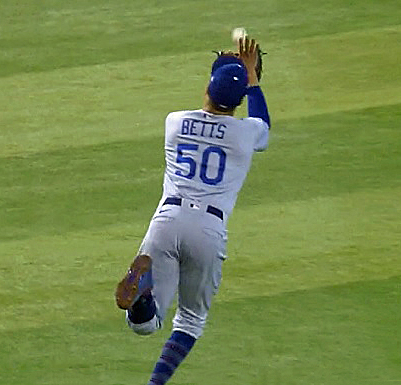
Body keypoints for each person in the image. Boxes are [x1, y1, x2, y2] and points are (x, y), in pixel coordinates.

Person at [115, 37, 270, 385]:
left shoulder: (174, 122)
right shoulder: (245, 135)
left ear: (206, 90)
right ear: (239, 102)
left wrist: (232, 74)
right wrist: (252, 79)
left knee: (145, 325)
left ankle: (142, 297)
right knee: (190, 322)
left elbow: (215, 106)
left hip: (166, 222)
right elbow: (263, 123)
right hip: (207, 229)